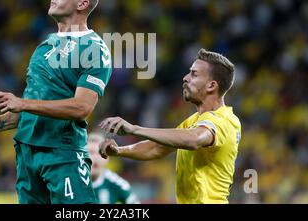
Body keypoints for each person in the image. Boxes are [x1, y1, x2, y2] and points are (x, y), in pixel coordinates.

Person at [0, 0, 112, 204]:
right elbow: (29, 110)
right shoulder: (45, 46)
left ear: (83, 3)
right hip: (26, 153)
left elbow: (82, 107)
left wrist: (23, 103)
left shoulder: (94, 49)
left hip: (62, 155)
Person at [99, 49, 241, 204]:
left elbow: (195, 139)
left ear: (211, 86)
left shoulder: (225, 121)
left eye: (194, 74)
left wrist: (135, 129)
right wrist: (119, 151)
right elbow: (155, 148)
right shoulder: (194, 121)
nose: (185, 78)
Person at [87, 133, 140, 204]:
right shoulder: (69, 179)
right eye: (91, 152)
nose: (96, 158)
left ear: (107, 158)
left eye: (100, 153)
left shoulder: (117, 184)